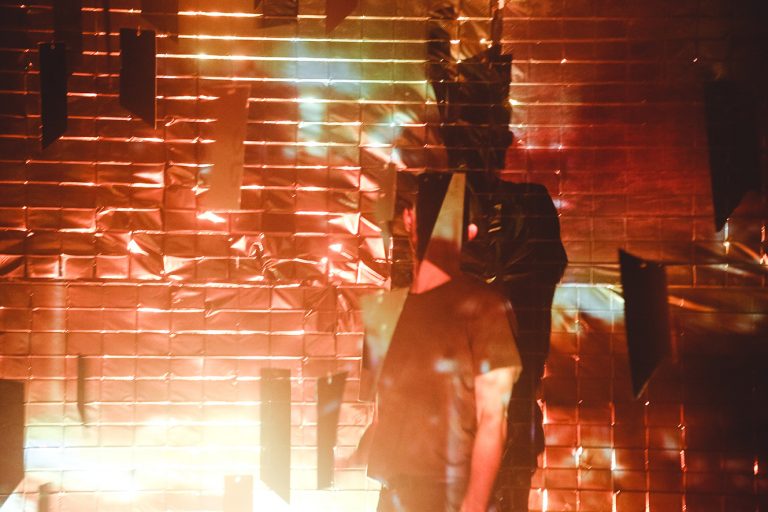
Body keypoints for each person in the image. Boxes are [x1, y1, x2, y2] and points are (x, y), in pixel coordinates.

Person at [366, 173, 523, 512]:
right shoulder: (387, 311)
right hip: (392, 494)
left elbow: (493, 419)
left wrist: (473, 505)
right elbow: (383, 411)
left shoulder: (485, 308)